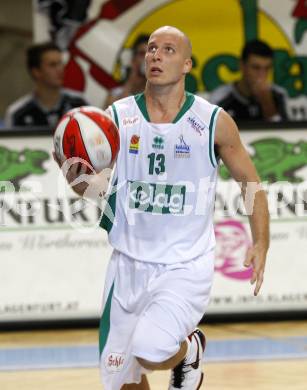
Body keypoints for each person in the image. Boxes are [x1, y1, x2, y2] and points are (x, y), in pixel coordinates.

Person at [55, 26, 270, 389]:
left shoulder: (213, 121)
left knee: (150, 350)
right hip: (126, 266)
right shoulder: (116, 119)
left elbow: (251, 183)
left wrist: (262, 241)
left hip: (184, 265)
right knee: (124, 382)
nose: (155, 55)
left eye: (168, 50)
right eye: (152, 48)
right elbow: (91, 190)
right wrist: (72, 172)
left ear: (186, 64)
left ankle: (187, 353)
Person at [5, 42, 87, 128]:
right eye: (53, 65)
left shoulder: (80, 104)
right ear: (36, 71)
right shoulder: (17, 114)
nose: (60, 69)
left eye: (61, 63)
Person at [210, 39, 288, 122]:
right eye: (256, 68)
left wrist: (267, 102)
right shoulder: (220, 98)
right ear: (242, 66)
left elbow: (287, 133)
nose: (262, 75)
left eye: (267, 68)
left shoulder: (279, 95)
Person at [104, 34, 149, 107]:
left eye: (149, 55)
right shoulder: (116, 93)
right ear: (133, 58)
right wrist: (131, 80)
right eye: (142, 54)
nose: (145, 59)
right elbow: (114, 112)